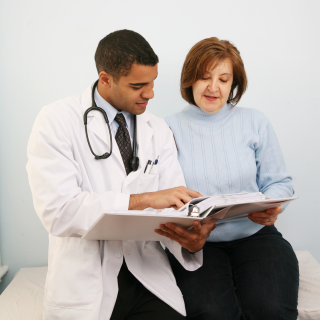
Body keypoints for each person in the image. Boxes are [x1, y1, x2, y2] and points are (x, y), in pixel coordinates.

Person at [26, 30, 216, 320]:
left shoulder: (158, 129)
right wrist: (143, 199)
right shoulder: (56, 121)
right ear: (106, 79)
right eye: (138, 85)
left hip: (147, 277)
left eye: (152, 83)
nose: (150, 93)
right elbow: (58, 210)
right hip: (85, 283)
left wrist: (191, 239)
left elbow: (172, 203)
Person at [162, 37, 299, 320]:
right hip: (199, 243)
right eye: (204, 77)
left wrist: (274, 207)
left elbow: (280, 182)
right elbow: (161, 194)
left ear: (233, 84)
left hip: (256, 236)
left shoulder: (255, 121)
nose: (214, 88)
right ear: (190, 80)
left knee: (270, 309)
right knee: (213, 313)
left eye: (224, 79)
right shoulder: (166, 128)